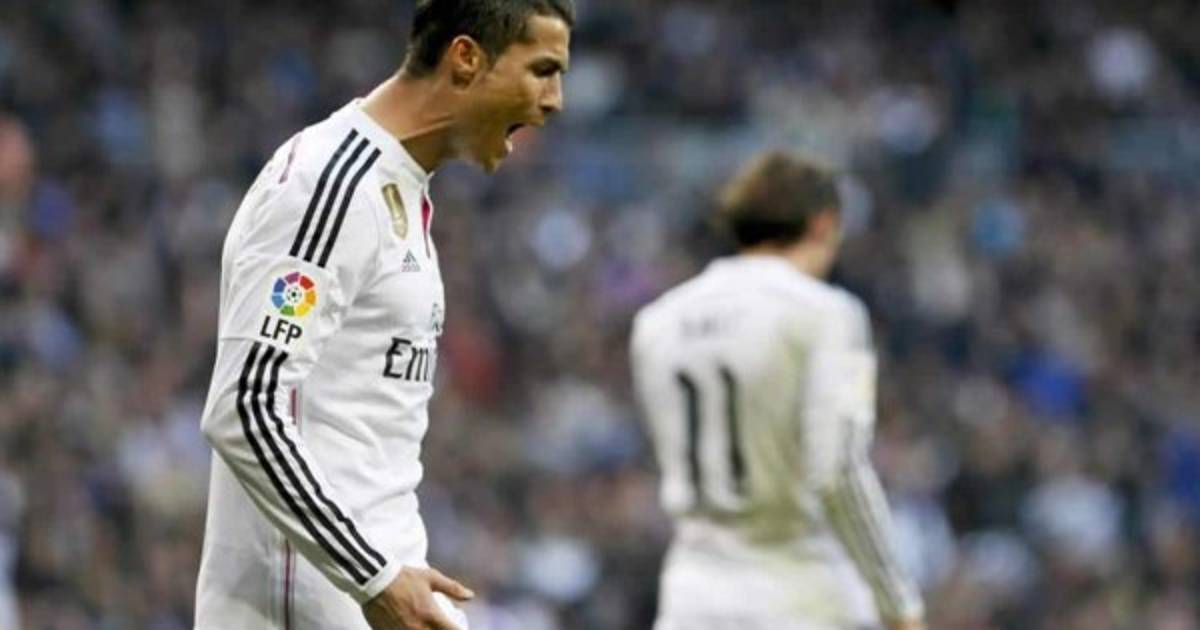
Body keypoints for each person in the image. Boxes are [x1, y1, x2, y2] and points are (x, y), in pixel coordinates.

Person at [194, 1, 572, 629]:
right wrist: (373, 575)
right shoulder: (329, 185)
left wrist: (390, 575)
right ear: (466, 58)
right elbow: (245, 404)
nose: (555, 100)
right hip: (311, 599)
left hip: (375, 586)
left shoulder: (396, 187)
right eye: (542, 70)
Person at [629, 152, 926, 630]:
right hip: (798, 589)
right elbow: (839, 470)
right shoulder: (826, 313)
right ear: (824, 224)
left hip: (692, 595)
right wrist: (898, 602)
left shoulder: (657, 322)